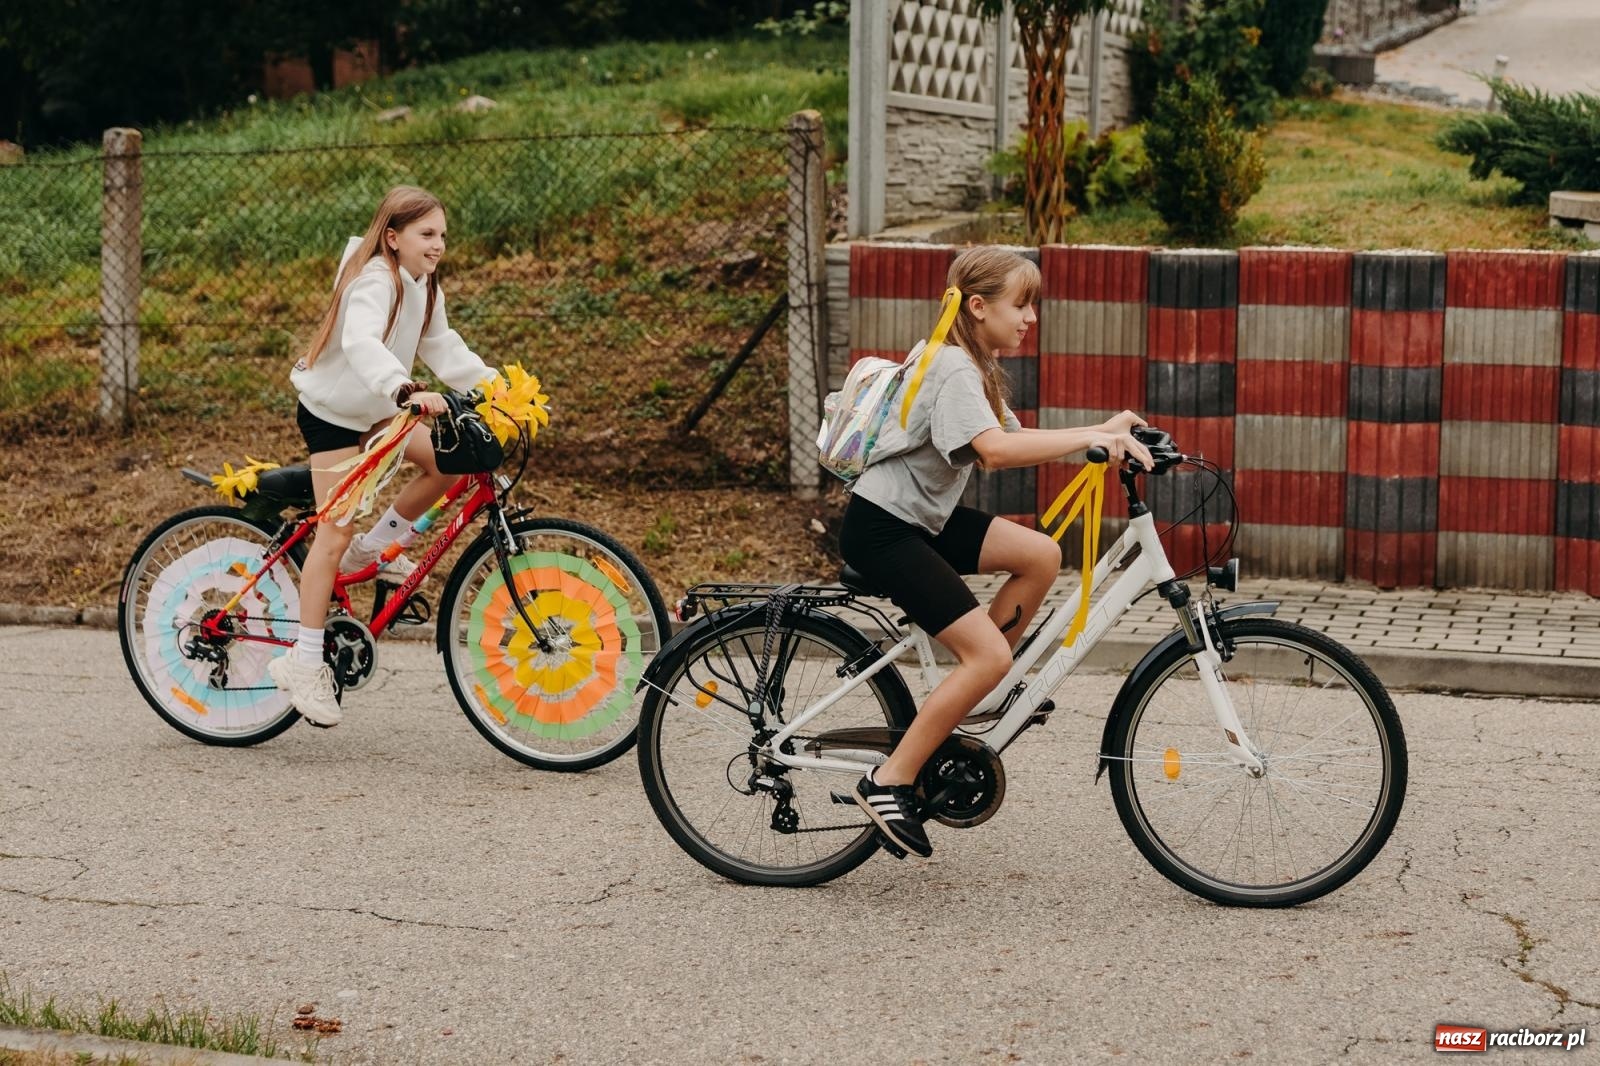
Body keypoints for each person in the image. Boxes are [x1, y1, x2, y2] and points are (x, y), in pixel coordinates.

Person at [842, 245, 1153, 857]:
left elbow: (1012, 435)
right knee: (986, 656)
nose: (1030, 316)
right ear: (979, 307)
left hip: (919, 518)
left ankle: (973, 686)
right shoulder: (954, 366)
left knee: (1040, 556)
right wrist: (1096, 436)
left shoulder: (970, 363)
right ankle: (888, 780)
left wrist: (1105, 428)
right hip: (885, 527)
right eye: (1022, 303)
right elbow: (994, 452)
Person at [267, 185, 492, 727]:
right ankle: (302, 660)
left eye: (442, 235)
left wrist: (498, 386)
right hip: (335, 416)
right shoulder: (373, 279)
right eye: (427, 234)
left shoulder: (423, 284)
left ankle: (376, 547)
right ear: (393, 238)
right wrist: (403, 388)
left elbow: (443, 346)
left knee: (446, 462)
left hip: (378, 409)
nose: (438, 245)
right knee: (334, 530)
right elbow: (362, 342)